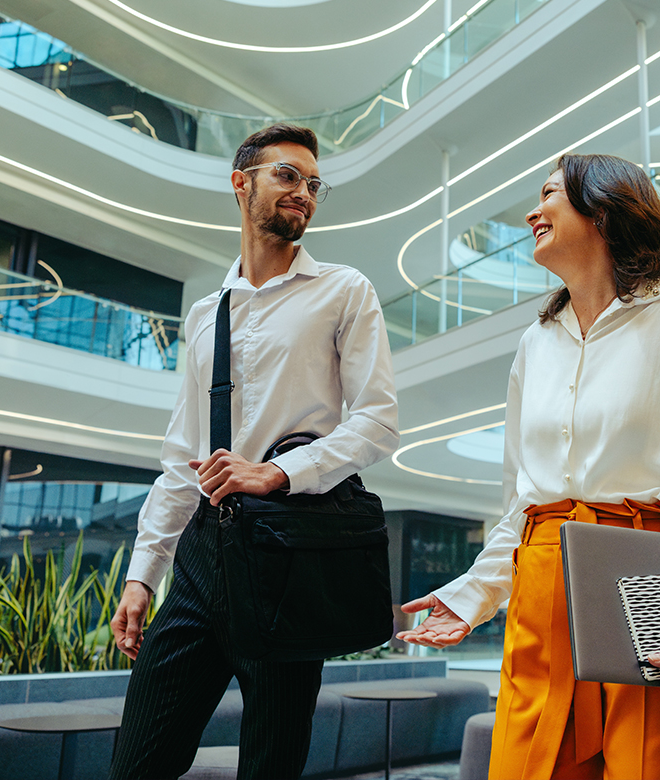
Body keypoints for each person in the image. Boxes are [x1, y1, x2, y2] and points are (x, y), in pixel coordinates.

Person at [398, 154, 660, 780]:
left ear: (604, 210)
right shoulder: (536, 340)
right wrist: (475, 593)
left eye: (550, 193)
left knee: (654, 766)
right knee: (529, 768)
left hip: (656, 578)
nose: (532, 211)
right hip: (541, 584)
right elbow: (524, 502)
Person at [108, 123, 399, 780]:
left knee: (271, 764)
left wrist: (278, 471)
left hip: (288, 553)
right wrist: (141, 575)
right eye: (287, 176)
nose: (304, 193)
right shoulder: (207, 313)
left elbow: (378, 422)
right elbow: (182, 456)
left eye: (314, 184)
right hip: (202, 557)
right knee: (136, 763)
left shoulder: (343, 290)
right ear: (241, 183)